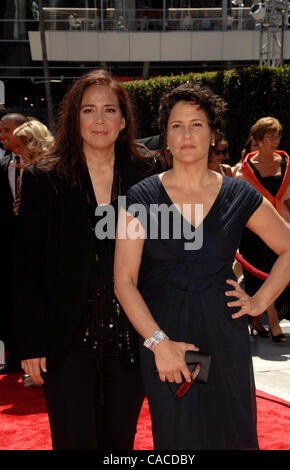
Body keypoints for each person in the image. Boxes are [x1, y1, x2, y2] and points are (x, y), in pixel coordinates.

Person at [113, 83, 290, 450]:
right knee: (180, 436)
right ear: (164, 136)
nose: (186, 134)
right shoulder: (142, 197)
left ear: (214, 134)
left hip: (222, 330)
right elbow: (124, 281)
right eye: (176, 125)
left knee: (230, 431)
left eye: (196, 124)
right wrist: (158, 343)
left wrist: (259, 302)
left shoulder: (238, 193)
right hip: (167, 335)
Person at [13, 70, 158, 450]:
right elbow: (27, 268)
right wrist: (29, 343)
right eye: (89, 110)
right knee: (73, 438)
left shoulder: (146, 175)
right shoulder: (43, 178)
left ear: (123, 120)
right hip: (66, 337)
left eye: (109, 110)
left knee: (119, 439)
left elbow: (160, 258)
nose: (99, 120)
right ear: (74, 118)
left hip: (130, 334)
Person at [235, 117, 290, 340]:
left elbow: (289, 193)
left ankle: (258, 318)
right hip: (255, 228)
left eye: (278, 136)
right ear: (259, 140)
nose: (276, 140)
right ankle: (273, 322)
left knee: (285, 272)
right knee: (264, 273)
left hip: (281, 225)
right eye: (271, 136)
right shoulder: (244, 170)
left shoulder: (285, 163)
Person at [0, 112, 27, 374]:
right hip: (8, 246)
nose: (2, 136)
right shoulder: (2, 166)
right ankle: (14, 353)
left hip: (35, 244)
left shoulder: (43, 165)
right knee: (8, 298)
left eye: (7, 130)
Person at [11, 120, 55, 216]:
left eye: (19, 145)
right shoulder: (60, 166)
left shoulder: (33, 172)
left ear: (32, 145)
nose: (17, 151)